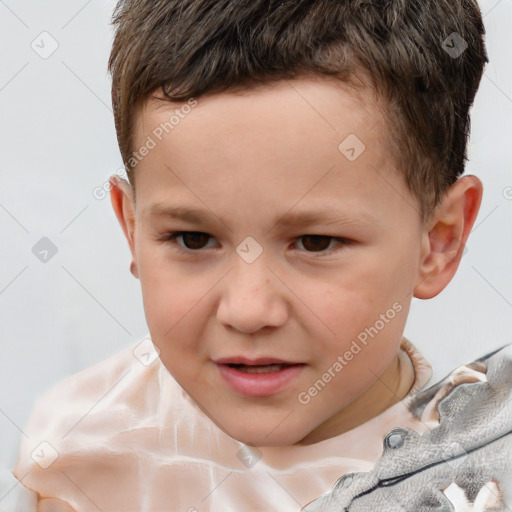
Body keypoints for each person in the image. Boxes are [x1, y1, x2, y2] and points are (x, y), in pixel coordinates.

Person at [9, 0, 510, 510]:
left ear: (439, 240)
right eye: (193, 239)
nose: (248, 311)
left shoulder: (485, 477)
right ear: (132, 228)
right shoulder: (84, 456)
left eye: (315, 243)